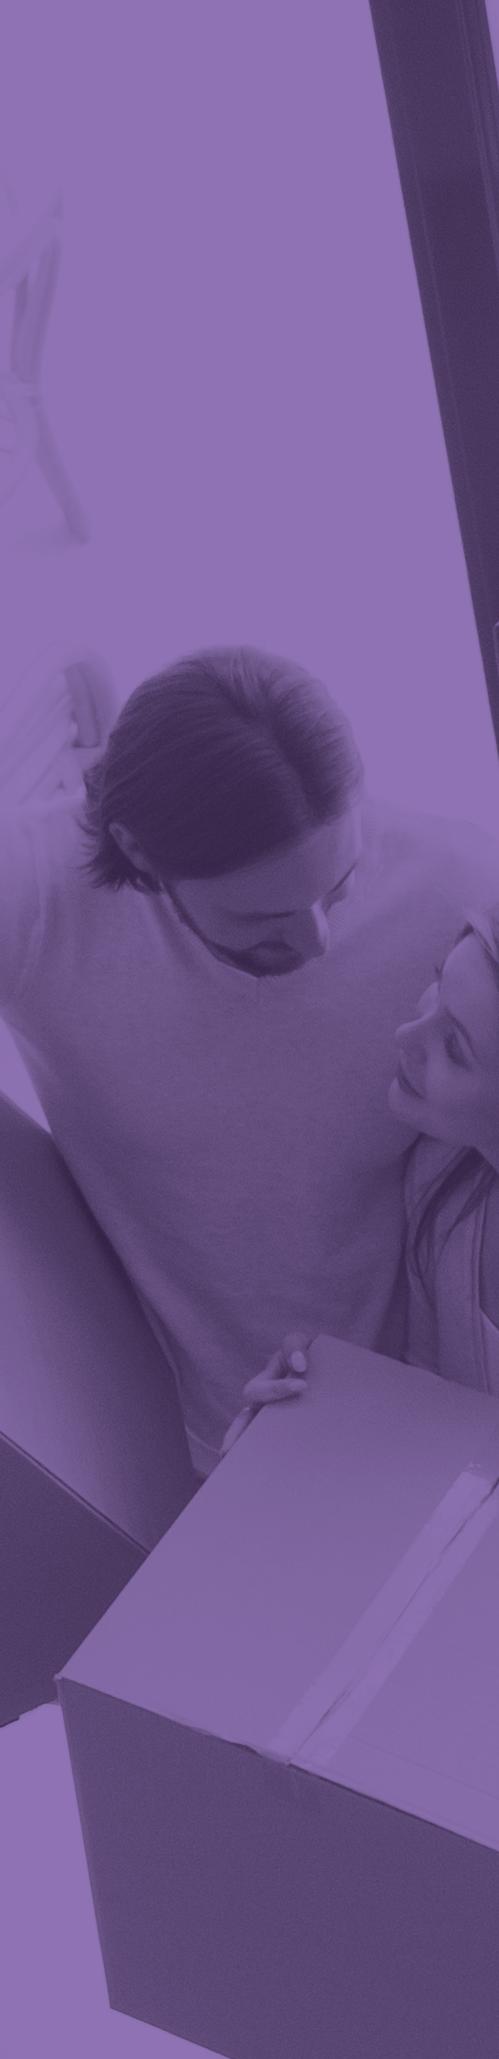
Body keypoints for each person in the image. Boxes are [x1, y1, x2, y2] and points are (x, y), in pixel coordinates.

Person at [1, 641, 498, 1479]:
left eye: (339, 885)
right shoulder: (43, 895)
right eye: (264, 918)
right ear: (139, 855)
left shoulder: (459, 883)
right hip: (223, 1435)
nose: (318, 939)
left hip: (436, 1403)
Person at [388, 910, 499, 1397]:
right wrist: (312, 1406)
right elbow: (433, 1407)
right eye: (439, 983)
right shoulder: (440, 1182)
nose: (405, 1036)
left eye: (454, 1047)